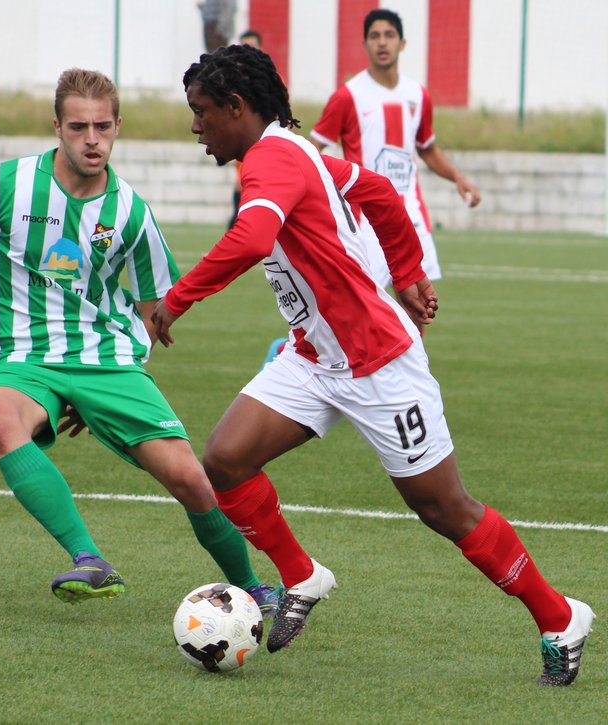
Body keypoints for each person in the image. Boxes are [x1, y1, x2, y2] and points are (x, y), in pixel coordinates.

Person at [150, 44, 594, 685]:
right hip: (315, 356)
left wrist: (175, 301)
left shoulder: (272, 158)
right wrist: (407, 272)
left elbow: (252, 238)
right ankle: (302, 576)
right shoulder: (298, 152)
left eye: (201, 111)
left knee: (446, 509)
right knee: (224, 459)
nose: (195, 127)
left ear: (237, 106)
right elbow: (381, 192)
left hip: (379, 362)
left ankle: (560, 617)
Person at [0, 68, 278, 615]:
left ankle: (255, 588)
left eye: (102, 127)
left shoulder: (130, 211)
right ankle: (89, 558)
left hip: (106, 360)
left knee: (192, 481)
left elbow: (155, 310)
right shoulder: (4, 184)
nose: (92, 139)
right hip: (24, 356)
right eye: (79, 127)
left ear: (117, 126)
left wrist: (129, 360)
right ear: (57, 126)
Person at [310, 8, 482, 290]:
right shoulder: (347, 96)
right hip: (366, 222)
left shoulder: (418, 94)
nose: (382, 42)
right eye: (375, 36)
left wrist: (458, 178)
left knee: (422, 305)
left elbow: (427, 149)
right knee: (366, 305)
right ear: (364, 44)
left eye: (389, 35)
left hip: (412, 217)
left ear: (402, 43)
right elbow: (312, 150)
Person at [228, 29, 264, 229]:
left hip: (264, 155)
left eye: (252, 48)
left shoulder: (271, 82)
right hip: (244, 159)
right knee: (240, 216)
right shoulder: (233, 84)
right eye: (244, 48)